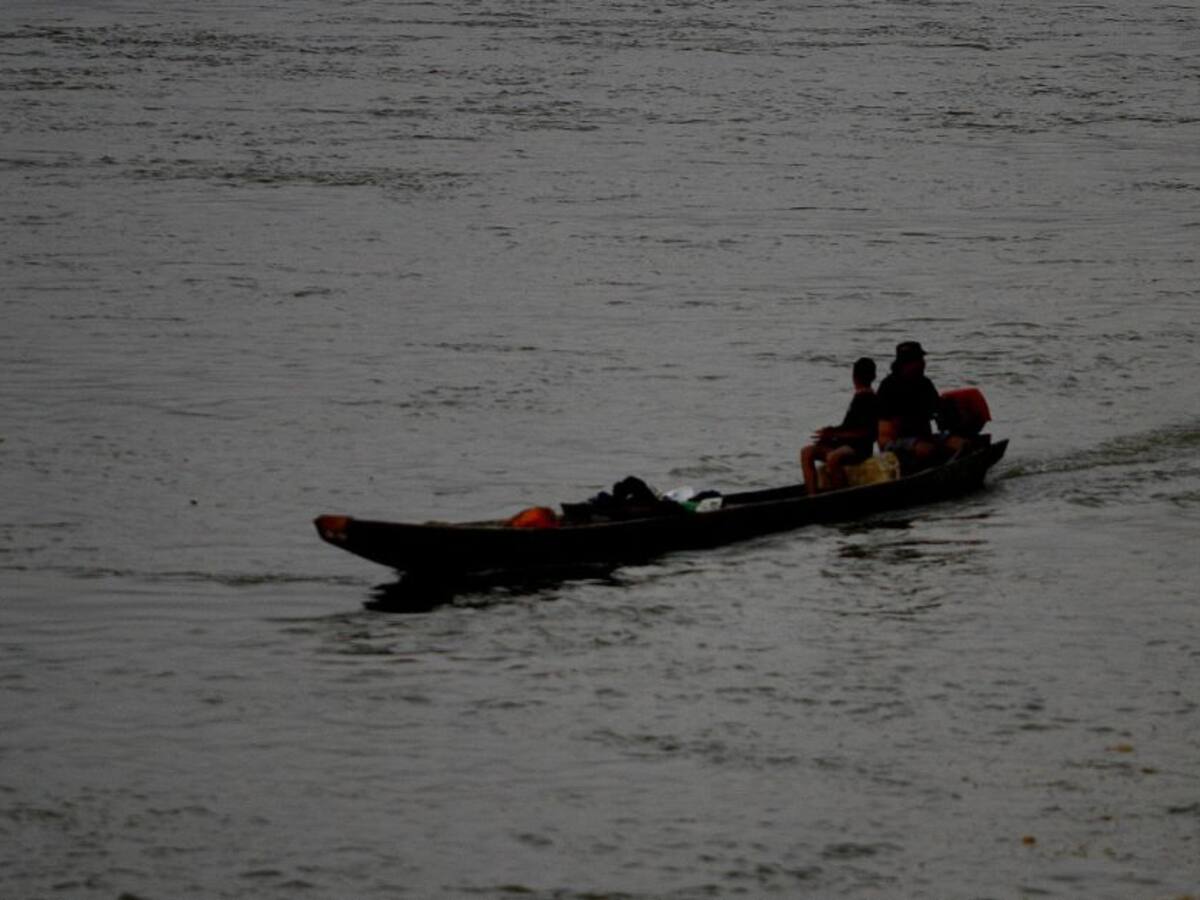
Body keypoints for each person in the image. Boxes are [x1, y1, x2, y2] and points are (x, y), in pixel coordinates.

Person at [875, 341, 966, 470]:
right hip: (895, 444)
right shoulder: (888, 387)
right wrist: (911, 444)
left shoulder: (925, 384)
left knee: (961, 444)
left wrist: (952, 413)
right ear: (905, 364)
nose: (923, 363)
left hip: (925, 438)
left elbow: (939, 413)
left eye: (922, 359)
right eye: (918, 360)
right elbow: (885, 437)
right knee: (926, 450)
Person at [800, 357, 879, 495]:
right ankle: (812, 496)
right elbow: (848, 427)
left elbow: (867, 433)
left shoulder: (871, 400)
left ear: (854, 377)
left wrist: (834, 434)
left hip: (859, 450)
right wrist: (831, 435)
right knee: (807, 452)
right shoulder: (859, 397)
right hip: (844, 445)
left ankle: (841, 497)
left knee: (833, 457)